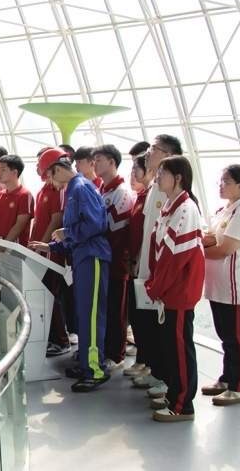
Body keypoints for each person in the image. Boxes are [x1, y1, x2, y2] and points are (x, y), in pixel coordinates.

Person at [28, 148, 111, 392]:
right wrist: (51, 246)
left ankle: (95, 369)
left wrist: (67, 233)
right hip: (81, 257)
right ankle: (86, 363)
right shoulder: (73, 190)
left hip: (92, 257)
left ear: (57, 170)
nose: (50, 183)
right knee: (82, 315)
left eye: (49, 176)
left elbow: (95, 224)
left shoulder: (81, 188)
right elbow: (76, 231)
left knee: (91, 317)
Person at [144, 155, 205, 422]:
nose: (157, 178)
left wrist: (156, 286)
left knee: (180, 349)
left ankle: (183, 405)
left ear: (178, 177)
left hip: (179, 291)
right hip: (167, 290)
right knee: (170, 346)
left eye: (162, 173)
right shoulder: (170, 206)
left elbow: (175, 257)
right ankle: (174, 393)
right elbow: (158, 250)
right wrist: (155, 283)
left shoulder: (186, 209)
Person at [201, 164, 240, 406]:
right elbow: (211, 239)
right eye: (220, 181)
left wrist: (200, 249)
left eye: (226, 182)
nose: (221, 186)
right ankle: (227, 378)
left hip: (236, 287)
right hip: (220, 286)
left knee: (239, 338)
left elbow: (225, 249)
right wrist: (206, 242)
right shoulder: (224, 210)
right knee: (226, 336)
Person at [131, 134, 184, 395]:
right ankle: (156, 371)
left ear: (169, 156)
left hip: (162, 275)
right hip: (147, 268)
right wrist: (140, 261)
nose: (149, 152)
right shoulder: (154, 188)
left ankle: (167, 379)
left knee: (164, 330)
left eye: (154, 148)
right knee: (149, 325)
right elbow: (147, 230)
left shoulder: (182, 203)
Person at [94, 144, 136, 372]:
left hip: (116, 262)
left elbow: (116, 231)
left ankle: (116, 354)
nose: (95, 164)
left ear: (112, 162)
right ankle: (104, 349)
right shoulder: (102, 190)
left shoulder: (122, 192)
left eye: (99, 160)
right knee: (104, 308)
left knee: (115, 311)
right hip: (101, 260)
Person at [32, 148, 72, 357]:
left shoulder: (60, 191)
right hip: (41, 251)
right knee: (44, 295)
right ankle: (51, 337)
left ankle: (61, 340)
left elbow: (56, 220)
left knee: (50, 295)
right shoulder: (43, 191)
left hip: (52, 252)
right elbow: (39, 221)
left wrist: (44, 244)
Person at [124, 154, 154, 378]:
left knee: (146, 320)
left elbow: (148, 233)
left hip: (141, 266)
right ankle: (143, 358)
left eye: (138, 169)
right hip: (133, 264)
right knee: (137, 317)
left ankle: (148, 361)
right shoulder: (140, 197)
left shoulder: (152, 196)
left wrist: (137, 259)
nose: (133, 174)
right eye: (132, 169)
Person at [0, 155, 33, 276]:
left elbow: (20, 225)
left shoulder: (25, 195)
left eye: (3, 169)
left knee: (12, 283)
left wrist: (1, 248)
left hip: (15, 251)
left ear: (14, 172)